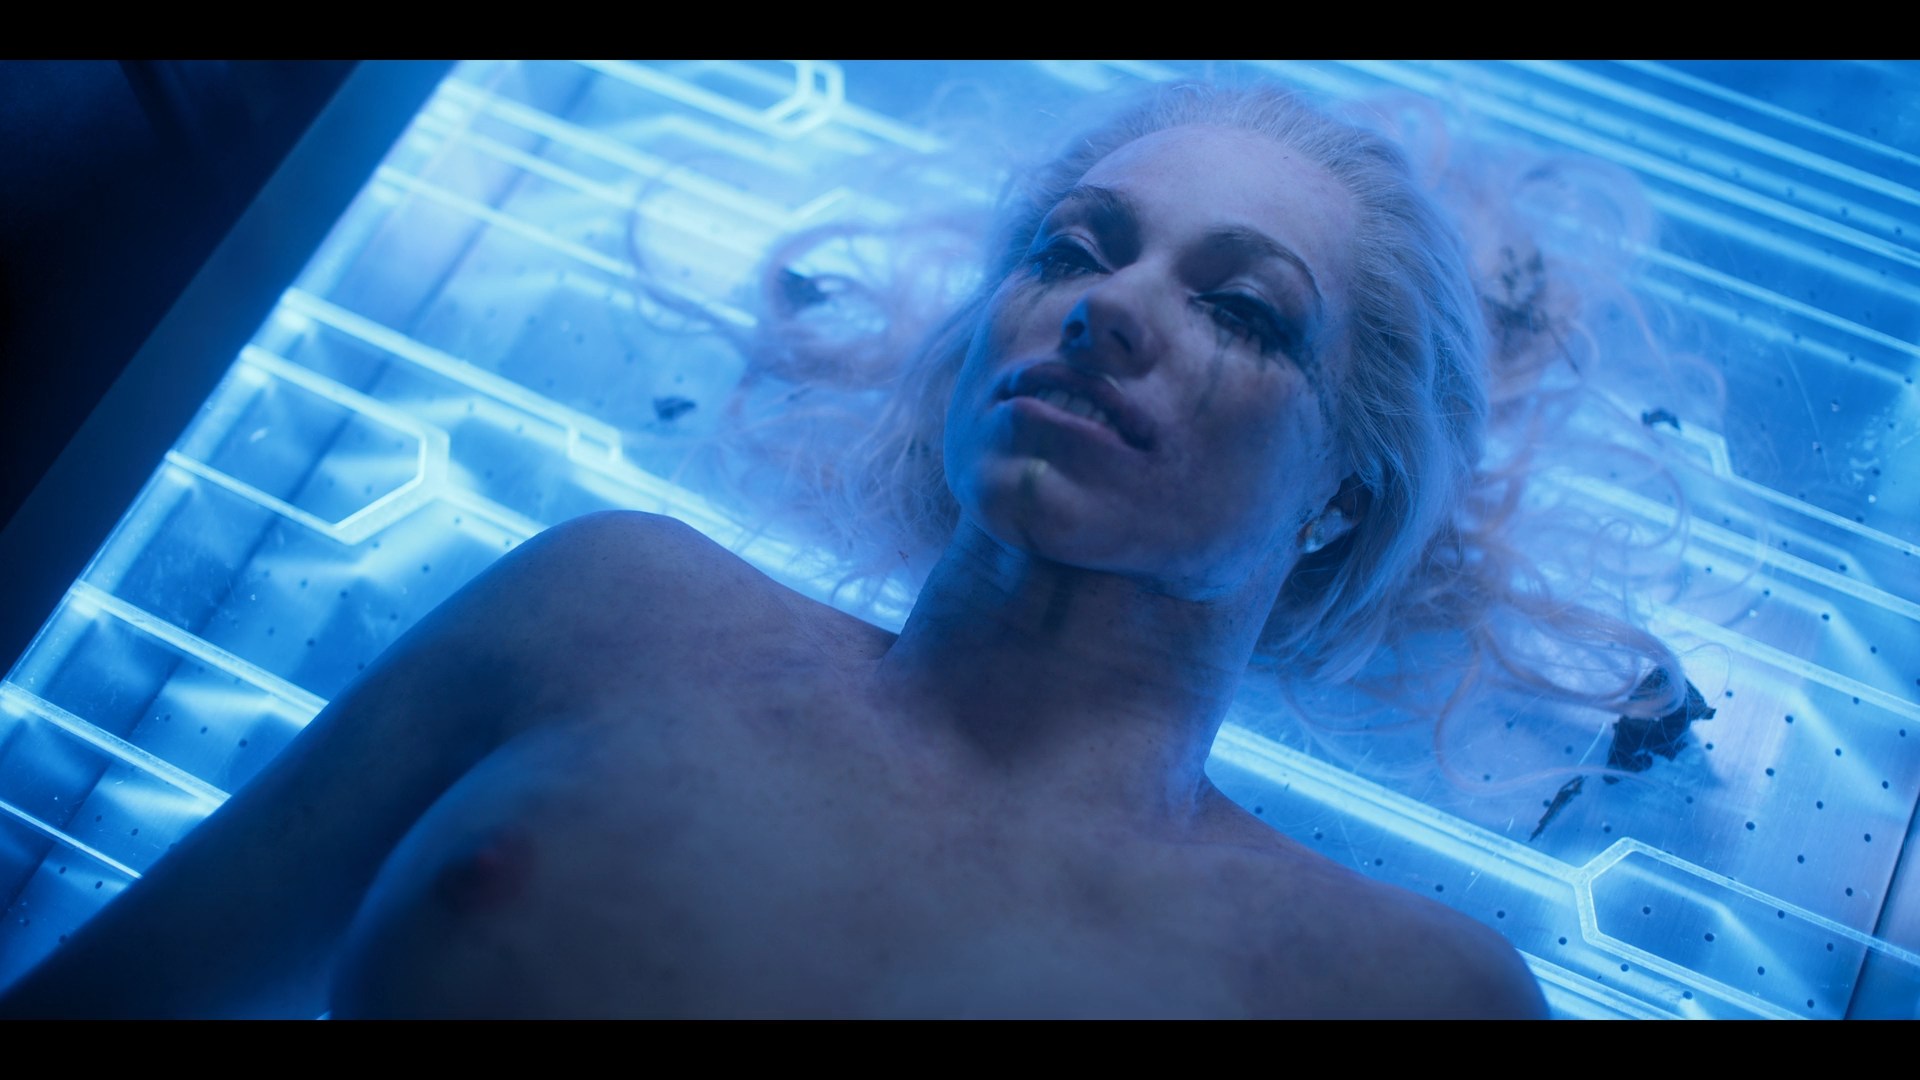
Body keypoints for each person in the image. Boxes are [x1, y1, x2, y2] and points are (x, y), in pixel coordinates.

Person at [0, 79, 1703, 1019]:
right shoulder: (601, 616)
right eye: (1075, 248)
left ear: (1347, 494)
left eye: (1244, 310)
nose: (1110, 307)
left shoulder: (1402, 991)